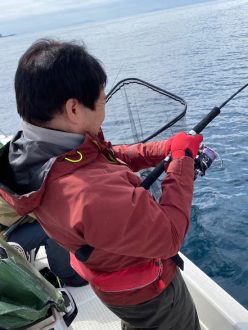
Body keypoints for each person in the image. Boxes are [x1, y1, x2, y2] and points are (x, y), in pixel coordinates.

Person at [0, 39, 203, 329]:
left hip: (112, 282)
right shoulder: (86, 192)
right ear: (73, 110)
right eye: (102, 102)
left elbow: (99, 159)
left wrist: (163, 149)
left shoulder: (36, 153)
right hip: (149, 295)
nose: (104, 111)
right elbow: (169, 233)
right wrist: (182, 159)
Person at [0, 199, 87, 287]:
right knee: (51, 228)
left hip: (13, 224)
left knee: (54, 218)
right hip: (4, 240)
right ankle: (71, 277)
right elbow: (30, 206)